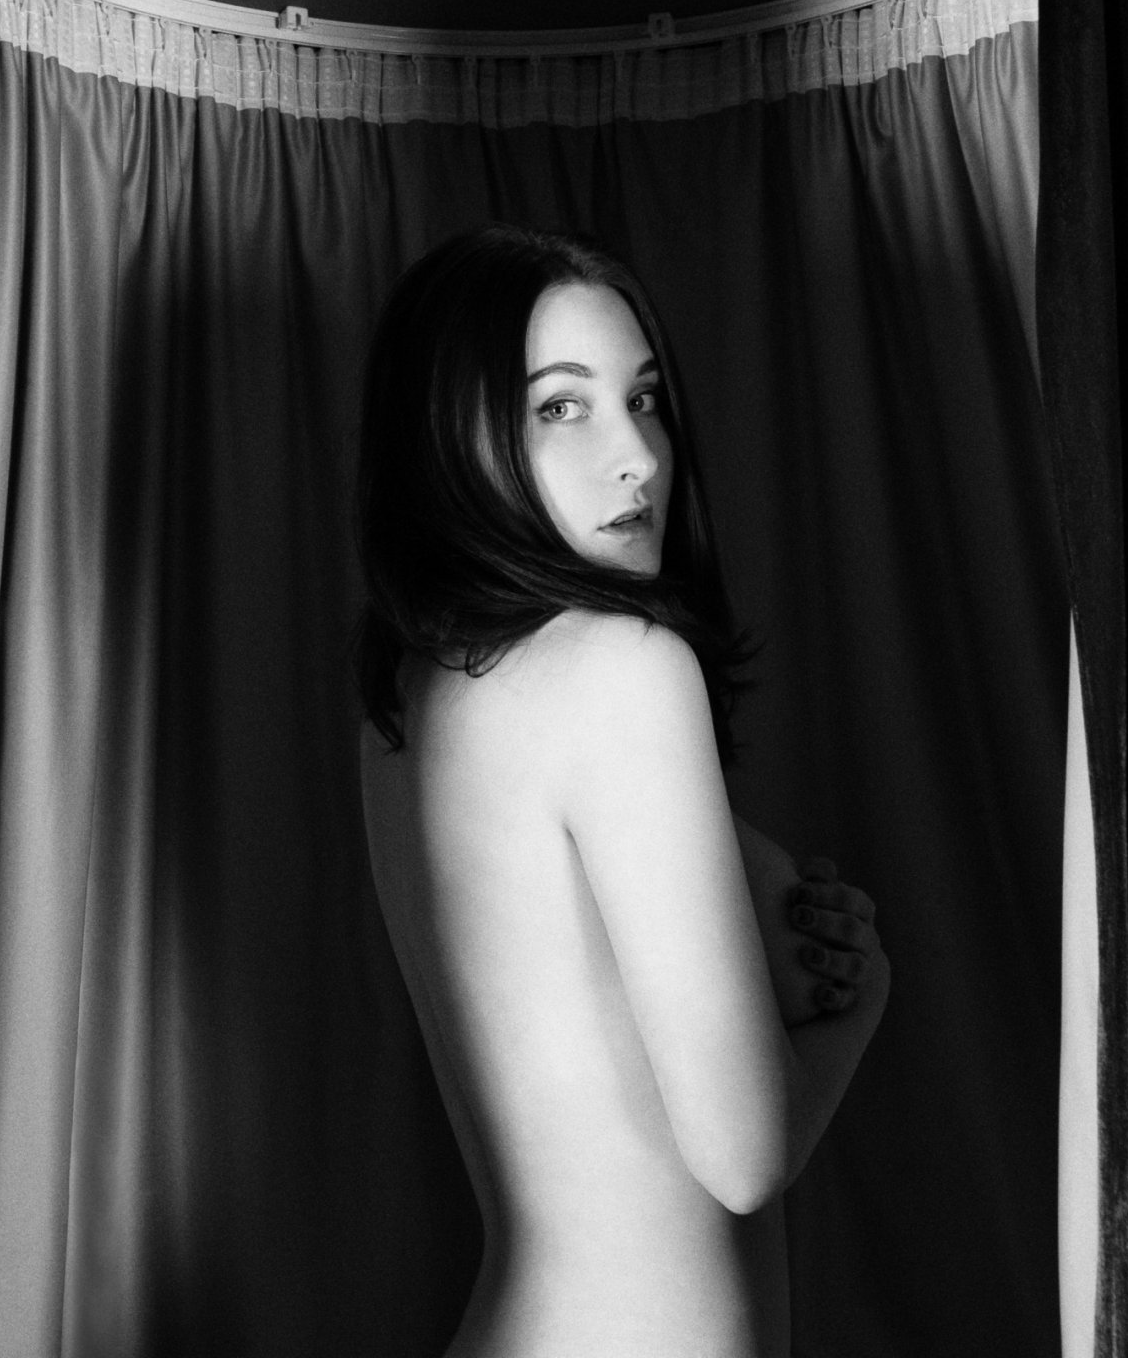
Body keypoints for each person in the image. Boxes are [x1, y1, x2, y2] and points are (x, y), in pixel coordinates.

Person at [356, 225, 890, 1358]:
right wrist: (858, 1006)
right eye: (561, 407)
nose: (638, 456)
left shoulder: (415, 697)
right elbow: (745, 1157)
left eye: (643, 399)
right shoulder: (622, 669)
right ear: (452, 435)